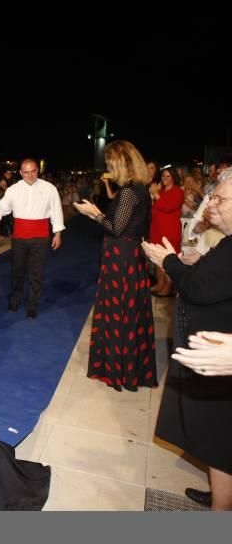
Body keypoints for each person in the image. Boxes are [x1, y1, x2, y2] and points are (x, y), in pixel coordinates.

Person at [142, 169, 232, 511]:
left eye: (220, 198)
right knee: (219, 443)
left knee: (220, 438)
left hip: (220, 361)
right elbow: (216, 279)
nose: (211, 202)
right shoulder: (226, 244)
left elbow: (198, 289)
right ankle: (219, 497)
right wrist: (198, 263)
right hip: (216, 358)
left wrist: (167, 262)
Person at [73, 140, 156, 391]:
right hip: (130, 255)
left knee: (119, 310)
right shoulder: (140, 188)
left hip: (123, 258)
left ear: (122, 163)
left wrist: (93, 213)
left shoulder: (131, 191)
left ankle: (117, 369)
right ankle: (128, 368)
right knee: (130, 312)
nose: (109, 167)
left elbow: (115, 228)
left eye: (111, 162)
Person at [0, 159, 64, 318]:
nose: (30, 175)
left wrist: (58, 233)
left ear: (37, 170)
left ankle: (32, 306)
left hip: (41, 237)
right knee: (17, 271)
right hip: (20, 237)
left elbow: (56, 210)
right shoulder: (13, 189)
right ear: (20, 173)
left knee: (36, 273)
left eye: (33, 171)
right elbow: (3, 206)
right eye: (26, 172)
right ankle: (14, 301)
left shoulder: (49, 189)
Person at [149, 167, 184, 296]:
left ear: (174, 177)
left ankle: (168, 286)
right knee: (157, 259)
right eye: (163, 176)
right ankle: (160, 283)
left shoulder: (178, 191)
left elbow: (168, 207)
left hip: (169, 230)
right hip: (157, 229)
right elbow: (155, 209)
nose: (165, 178)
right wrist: (155, 195)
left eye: (168, 176)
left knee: (167, 259)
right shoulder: (161, 191)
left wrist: (156, 195)